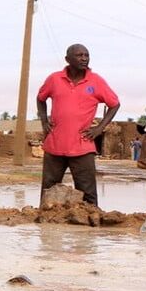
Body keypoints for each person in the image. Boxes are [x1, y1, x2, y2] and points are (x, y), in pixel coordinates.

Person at [35, 43, 119, 206]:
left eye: (86, 55)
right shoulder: (54, 79)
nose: (84, 58)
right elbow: (40, 98)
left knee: (88, 194)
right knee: (48, 190)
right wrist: (44, 121)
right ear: (67, 59)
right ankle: (46, 229)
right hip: (55, 144)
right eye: (79, 55)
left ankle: (91, 227)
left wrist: (100, 128)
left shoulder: (96, 81)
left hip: (83, 145)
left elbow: (114, 104)